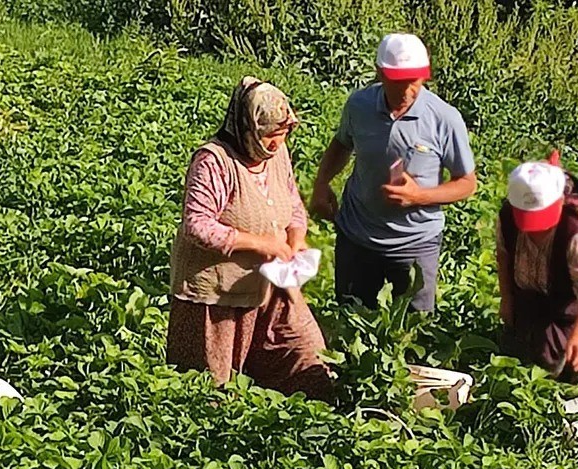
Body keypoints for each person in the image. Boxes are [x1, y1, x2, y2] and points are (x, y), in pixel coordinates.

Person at [165, 76, 335, 401]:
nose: (275, 145)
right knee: (211, 392)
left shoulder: (278, 154)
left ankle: (309, 426)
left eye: (282, 136)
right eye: (270, 136)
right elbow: (197, 225)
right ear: (249, 128)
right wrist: (261, 244)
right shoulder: (214, 161)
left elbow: (292, 201)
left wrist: (296, 237)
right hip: (216, 297)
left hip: (272, 286)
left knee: (310, 360)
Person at [310, 33, 477, 311]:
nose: (405, 91)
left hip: (415, 243)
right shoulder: (359, 105)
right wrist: (321, 183)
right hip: (357, 235)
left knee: (412, 329)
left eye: (412, 82)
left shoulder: (444, 118)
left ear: (425, 77)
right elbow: (341, 143)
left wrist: (419, 196)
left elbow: (466, 183)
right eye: (396, 82)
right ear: (379, 73)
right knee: (349, 319)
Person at [496, 152, 578, 382]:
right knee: (532, 345)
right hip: (537, 282)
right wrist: (507, 298)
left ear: (559, 202)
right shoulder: (508, 216)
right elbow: (504, 256)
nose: (535, 230)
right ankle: (536, 389)